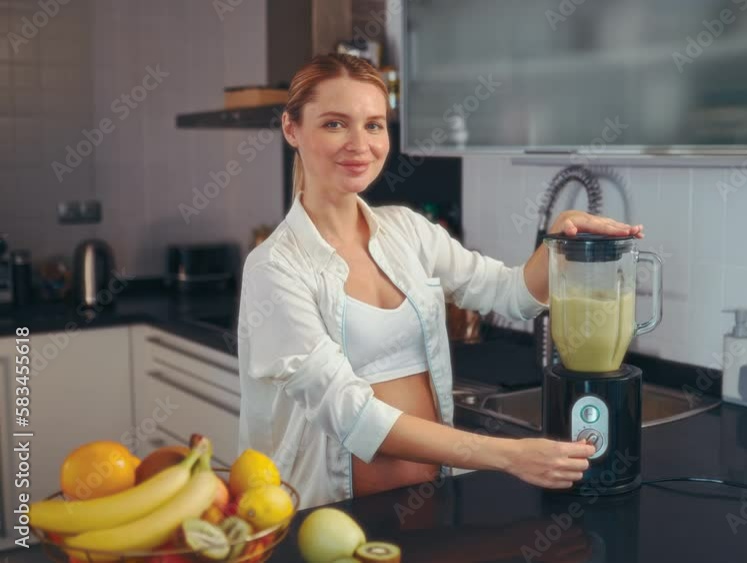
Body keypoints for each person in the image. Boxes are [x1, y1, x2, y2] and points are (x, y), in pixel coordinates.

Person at [237, 54, 644, 509]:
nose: (360, 144)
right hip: (330, 518)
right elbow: (350, 414)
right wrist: (508, 455)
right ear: (291, 128)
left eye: (374, 125)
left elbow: (510, 293)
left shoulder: (408, 231)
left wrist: (560, 238)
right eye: (335, 124)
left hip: (429, 507)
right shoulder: (274, 267)